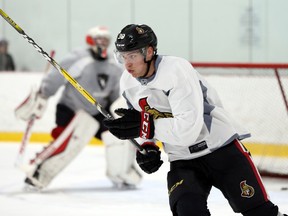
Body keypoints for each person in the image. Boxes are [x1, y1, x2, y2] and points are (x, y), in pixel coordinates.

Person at [103, 24, 287, 216]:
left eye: (132, 56)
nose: (127, 64)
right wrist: (147, 145)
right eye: (123, 56)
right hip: (182, 159)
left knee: (260, 212)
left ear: (149, 52)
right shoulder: (127, 82)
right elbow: (141, 119)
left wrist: (145, 128)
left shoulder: (176, 70)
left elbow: (187, 129)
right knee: (188, 211)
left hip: (220, 149)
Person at [14, 26, 142, 190]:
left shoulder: (113, 64)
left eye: (105, 40)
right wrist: (43, 94)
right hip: (71, 109)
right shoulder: (78, 58)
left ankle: (121, 174)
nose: (103, 43)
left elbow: (115, 94)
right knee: (72, 139)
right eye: (99, 39)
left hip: (96, 111)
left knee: (117, 136)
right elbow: (55, 78)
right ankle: (38, 174)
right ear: (90, 40)